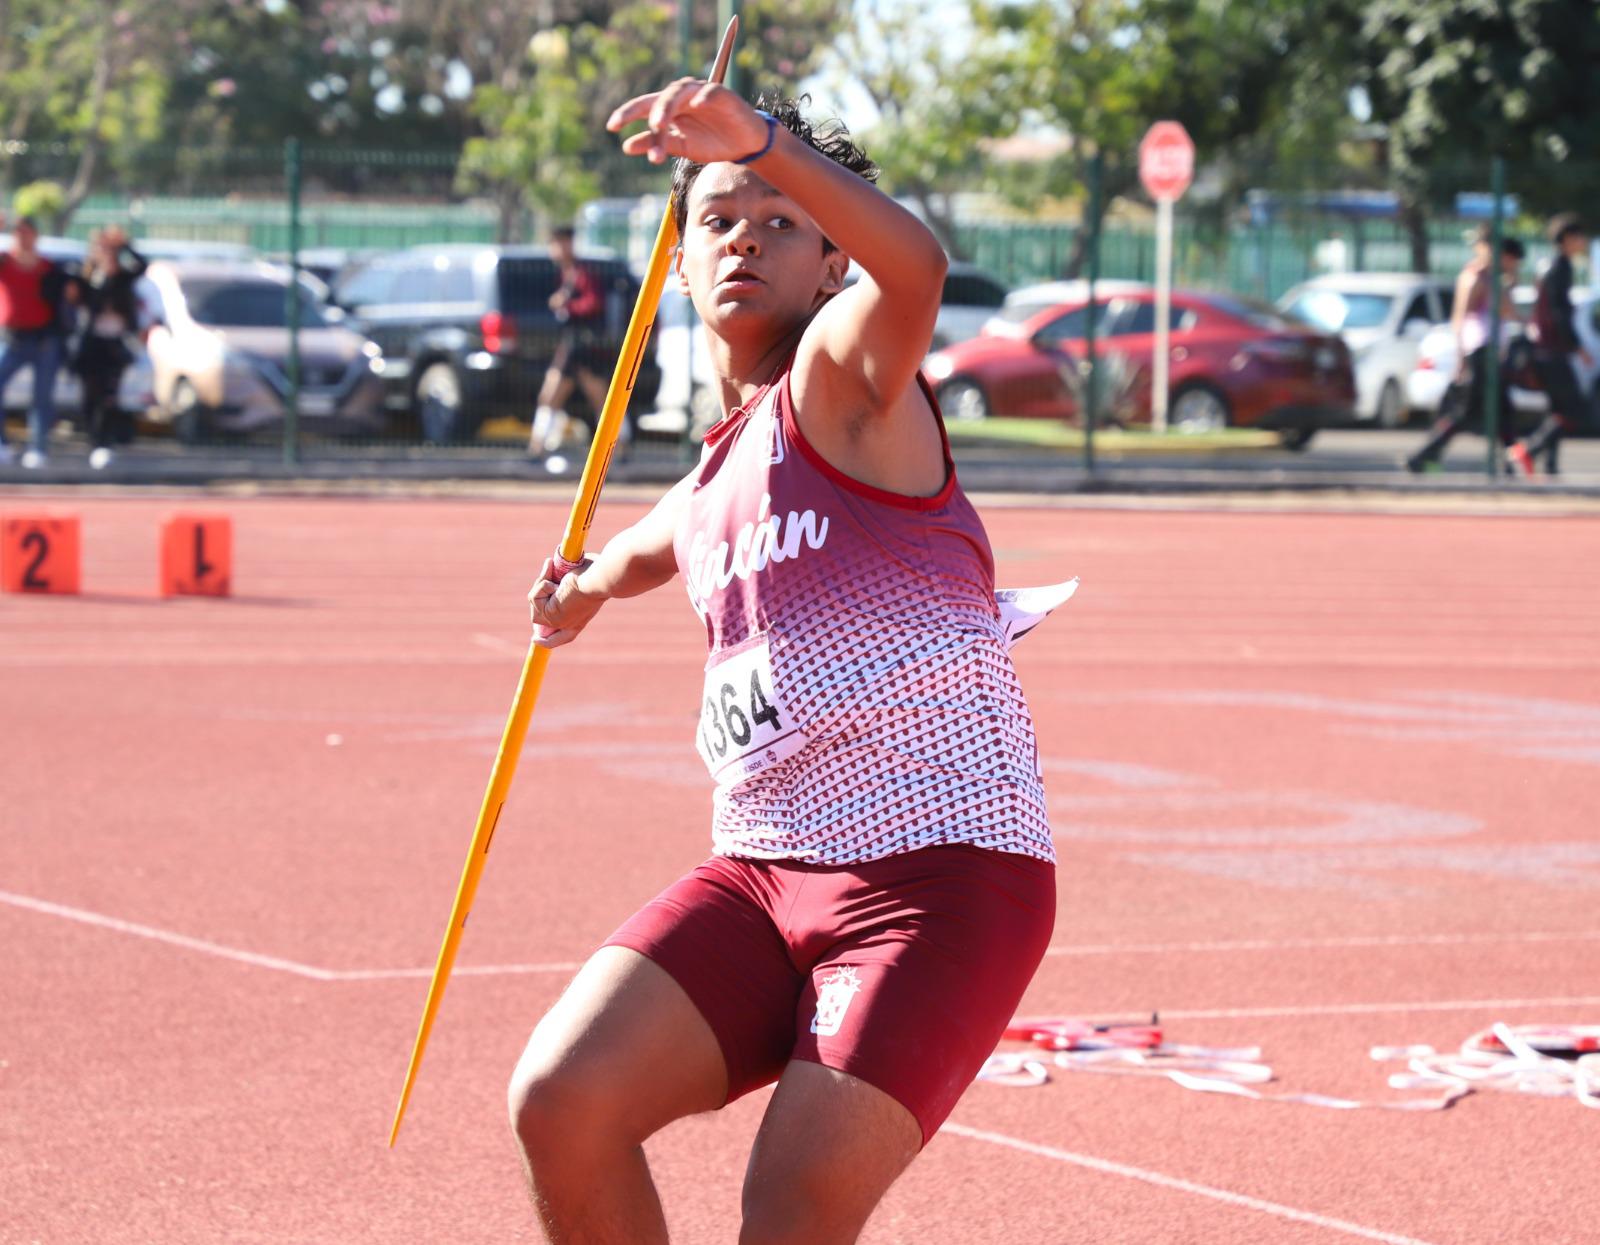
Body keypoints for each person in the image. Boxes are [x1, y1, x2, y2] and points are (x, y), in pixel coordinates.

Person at [510, 83, 1063, 1244]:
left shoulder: (846, 381)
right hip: (765, 871)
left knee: (790, 1207)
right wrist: (580, 594)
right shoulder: (715, 470)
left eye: (777, 219)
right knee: (563, 1102)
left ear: (826, 266)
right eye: (716, 219)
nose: (744, 237)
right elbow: (647, 548)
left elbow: (915, 270)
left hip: (936, 876)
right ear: (679, 260)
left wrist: (759, 145)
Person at [1405, 229, 1525, 474]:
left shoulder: (1492, 278)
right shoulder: (1477, 278)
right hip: (1479, 350)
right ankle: (1423, 455)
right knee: (1467, 411)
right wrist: (1460, 357)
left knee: (1503, 410)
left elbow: (1507, 311)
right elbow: (1461, 318)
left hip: (1488, 349)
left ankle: (1511, 461)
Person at [1507, 214, 1591, 478]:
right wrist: (1577, 346)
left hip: (1544, 349)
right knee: (1576, 408)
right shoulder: (1561, 267)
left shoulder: (1548, 267)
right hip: (1553, 350)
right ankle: (1529, 450)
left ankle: (1551, 466)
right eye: (1578, 237)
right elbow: (1558, 314)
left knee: (1558, 409)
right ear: (1566, 239)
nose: (1582, 242)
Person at [527, 225, 613, 461]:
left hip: (583, 345)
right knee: (552, 394)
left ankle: (617, 444)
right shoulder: (565, 273)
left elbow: (594, 303)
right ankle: (538, 444)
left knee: (600, 398)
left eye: (559, 243)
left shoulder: (581, 272)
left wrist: (566, 306)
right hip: (571, 344)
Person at [71, 226, 148, 470]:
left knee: (109, 396)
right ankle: (93, 441)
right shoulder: (87, 276)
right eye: (101, 247)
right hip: (91, 344)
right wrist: (95, 267)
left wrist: (124, 245)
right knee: (88, 397)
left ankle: (104, 444)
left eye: (109, 248)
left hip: (115, 344)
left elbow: (143, 265)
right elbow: (76, 298)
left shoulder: (123, 276)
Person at [0, 214, 70, 469]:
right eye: (18, 232)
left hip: (44, 340)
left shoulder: (48, 267)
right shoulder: (5, 261)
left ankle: (38, 448)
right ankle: (2, 445)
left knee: (42, 397)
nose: (22, 237)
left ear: (35, 235)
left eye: (27, 232)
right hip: (13, 338)